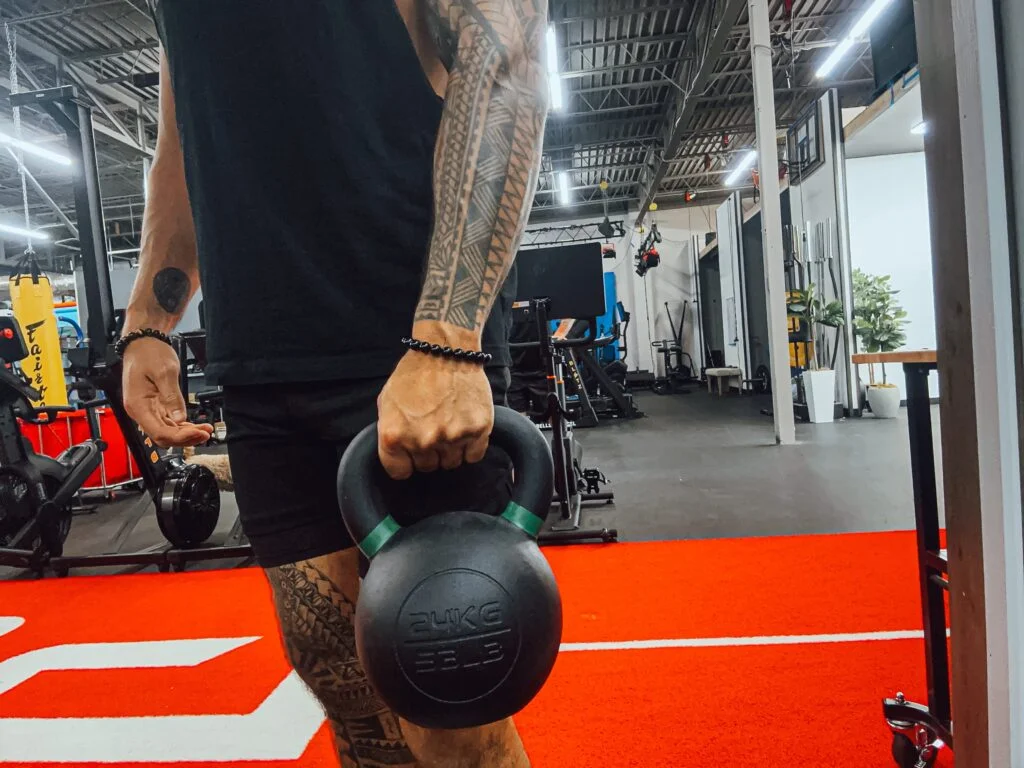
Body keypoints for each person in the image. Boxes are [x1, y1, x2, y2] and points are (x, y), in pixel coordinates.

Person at [121, 2, 549, 767]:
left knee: (451, 698)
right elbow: (182, 132)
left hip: (407, 341)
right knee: (339, 679)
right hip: (262, 354)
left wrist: (449, 337)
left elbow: (505, 62)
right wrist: (150, 320)